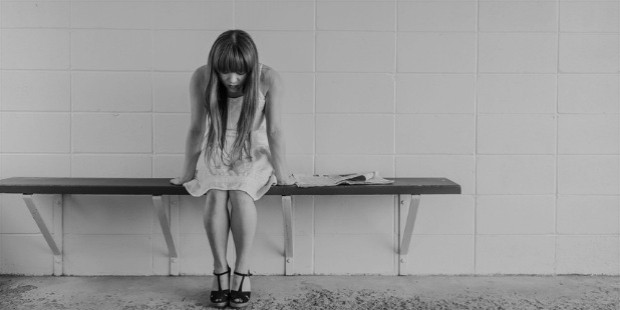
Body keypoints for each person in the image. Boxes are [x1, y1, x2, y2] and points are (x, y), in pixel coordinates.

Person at [170, 29, 295, 308]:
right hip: (216, 147)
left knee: (240, 193)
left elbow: (274, 131)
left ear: (251, 67)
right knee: (216, 193)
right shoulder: (201, 77)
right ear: (215, 66)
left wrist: (283, 173)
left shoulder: (269, 79)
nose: (233, 79)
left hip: (254, 150)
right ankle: (219, 270)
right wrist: (187, 172)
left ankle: (242, 270)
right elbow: (196, 128)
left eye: (240, 73)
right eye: (225, 72)